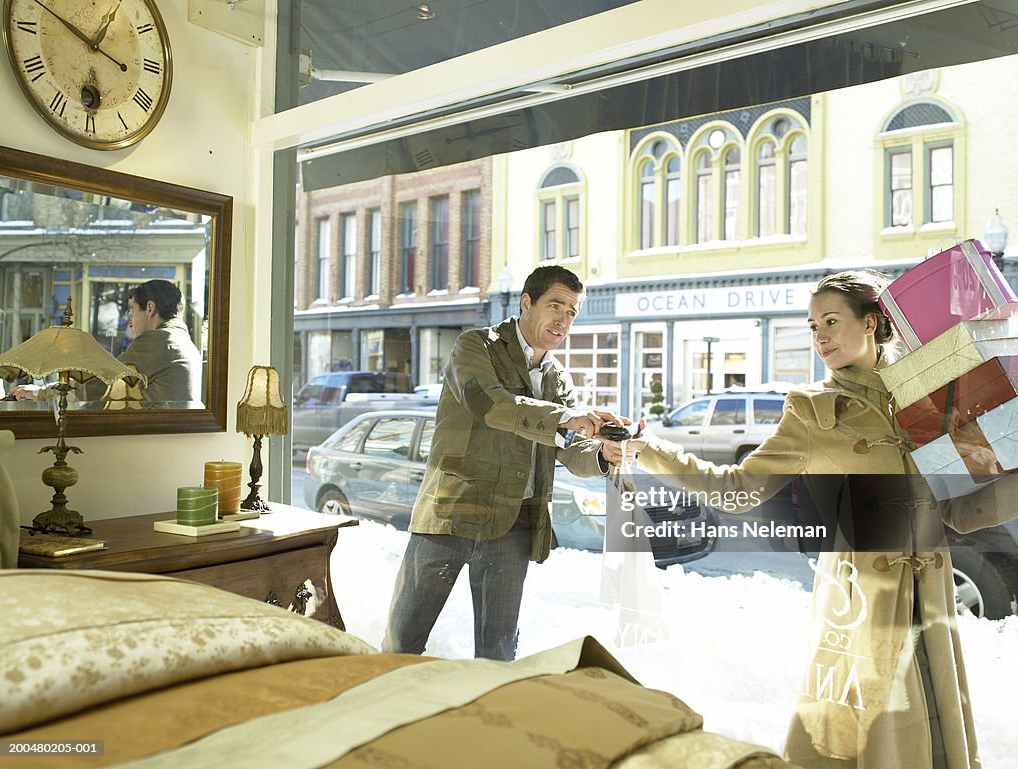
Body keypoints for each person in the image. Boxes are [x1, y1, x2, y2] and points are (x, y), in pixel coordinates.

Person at [601, 270, 1018, 769]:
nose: (819, 336)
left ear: (872, 323)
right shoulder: (810, 410)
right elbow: (737, 488)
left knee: (928, 725)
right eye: (812, 325)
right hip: (861, 593)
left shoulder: (926, 395)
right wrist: (647, 449)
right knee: (866, 731)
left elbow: (956, 510)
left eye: (832, 322)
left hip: (928, 586)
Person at [383, 265, 624, 661]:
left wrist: (601, 452)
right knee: (402, 643)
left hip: (513, 527)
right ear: (527, 302)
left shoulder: (558, 379)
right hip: (452, 513)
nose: (563, 319)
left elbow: (562, 448)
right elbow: (491, 405)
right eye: (556, 305)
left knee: (498, 654)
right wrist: (565, 418)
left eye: (572, 312)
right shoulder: (475, 346)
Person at [12, 279, 201, 407]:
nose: (129, 321)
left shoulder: (159, 340)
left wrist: (43, 393)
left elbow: (105, 384)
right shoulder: (184, 342)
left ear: (150, 308)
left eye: (132, 311)